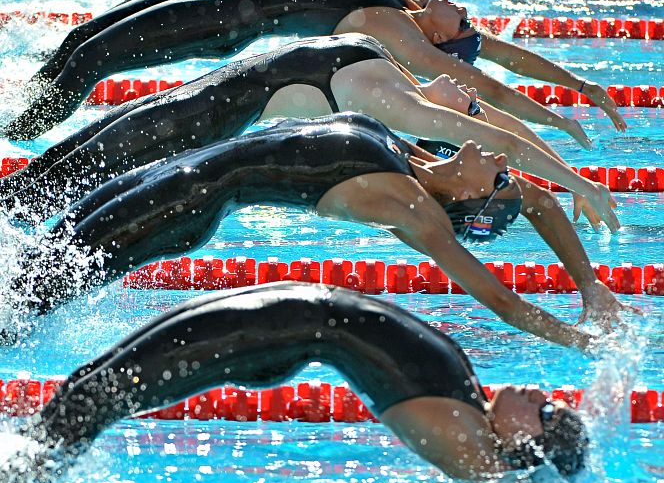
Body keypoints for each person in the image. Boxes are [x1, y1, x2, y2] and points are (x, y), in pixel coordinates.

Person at [12, 114, 624, 339]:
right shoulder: (414, 156)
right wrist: (589, 285)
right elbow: (537, 202)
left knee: (34, 294)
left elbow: (502, 301)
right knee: (38, 260)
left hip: (187, 202)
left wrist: (580, 340)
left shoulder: (411, 207)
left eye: (497, 174)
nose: (497, 157)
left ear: (472, 197)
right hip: (179, 173)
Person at [3, 280, 591, 483]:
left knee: (95, 399)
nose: (542, 396)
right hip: (274, 319)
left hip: (267, 333)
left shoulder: (475, 451)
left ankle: (16, 478)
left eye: (546, 414)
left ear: (527, 447)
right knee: (88, 387)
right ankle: (21, 461)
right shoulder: (470, 404)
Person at [0, 35, 614, 229]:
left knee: (41, 191)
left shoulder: (407, 112)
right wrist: (560, 127)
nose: (468, 88)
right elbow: (502, 124)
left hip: (191, 125)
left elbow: (501, 141)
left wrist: (580, 184)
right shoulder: (399, 74)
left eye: (468, 108)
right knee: (48, 172)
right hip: (192, 101)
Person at [19, 0, 624, 139]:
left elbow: (487, 79)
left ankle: (21, 126)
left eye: (462, 21)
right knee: (85, 38)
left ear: (440, 40)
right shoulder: (405, 6)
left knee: (92, 54)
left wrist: (557, 121)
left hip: (224, 17)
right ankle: (22, 106)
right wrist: (579, 84)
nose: (466, 11)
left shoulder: (404, 38)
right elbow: (499, 53)